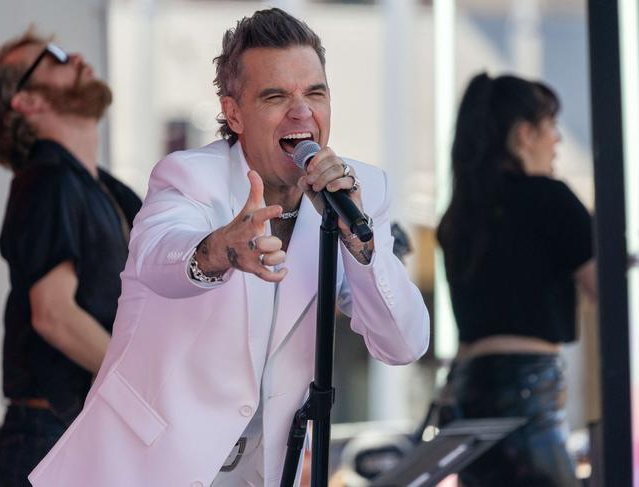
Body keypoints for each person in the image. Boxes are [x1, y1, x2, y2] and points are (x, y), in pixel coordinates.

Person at [29, 8, 430, 487]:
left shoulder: (360, 192)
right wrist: (219, 250)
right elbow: (159, 255)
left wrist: (358, 246)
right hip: (145, 466)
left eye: (315, 93)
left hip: (260, 473)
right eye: (276, 95)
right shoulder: (188, 176)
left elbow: (403, 343)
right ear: (234, 112)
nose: (302, 112)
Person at [0, 31, 142, 487]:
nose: (75, 54)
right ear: (26, 102)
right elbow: (54, 316)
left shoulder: (106, 190)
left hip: (80, 428)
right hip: (52, 435)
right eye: (53, 58)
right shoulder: (46, 180)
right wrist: (140, 393)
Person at [436, 72, 597, 487]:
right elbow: (605, 289)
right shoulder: (550, 199)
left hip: (468, 389)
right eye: (551, 127)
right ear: (524, 134)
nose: (558, 141)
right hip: (527, 386)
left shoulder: (459, 217)